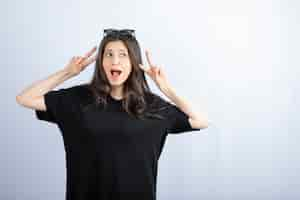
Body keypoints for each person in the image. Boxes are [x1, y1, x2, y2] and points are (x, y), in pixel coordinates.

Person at [16, 28, 208, 200]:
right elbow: (25, 98)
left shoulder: (152, 107)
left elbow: (201, 120)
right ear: (101, 62)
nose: (115, 61)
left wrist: (166, 88)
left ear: (134, 62)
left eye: (123, 55)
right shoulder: (78, 99)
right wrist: (68, 73)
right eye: (108, 54)